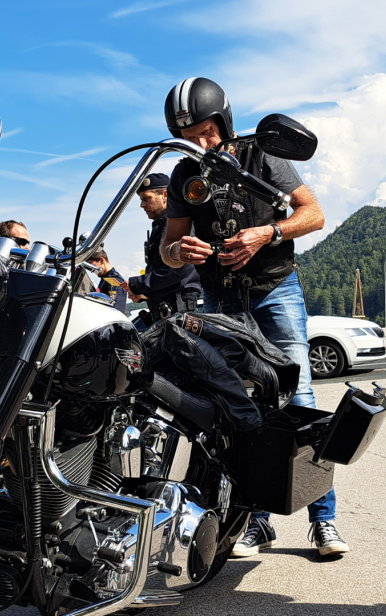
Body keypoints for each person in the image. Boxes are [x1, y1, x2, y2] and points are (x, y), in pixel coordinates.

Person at [159, 77, 348, 558]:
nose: (201, 143)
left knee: (298, 396)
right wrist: (182, 250)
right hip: (222, 303)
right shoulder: (184, 176)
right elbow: (168, 248)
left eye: (207, 132)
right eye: (191, 137)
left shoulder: (262, 156)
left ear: (223, 121)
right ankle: (255, 521)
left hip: (275, 290)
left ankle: (323, 521)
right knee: (238, 405)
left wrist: (268, 232)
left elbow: (314, 214)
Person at [119, 173, 201, 322]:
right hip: (168, 311)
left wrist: (138, 284)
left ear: (165, 195)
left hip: (179, 312)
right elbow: (162, 272)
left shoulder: (177, 225)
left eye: (146, 198)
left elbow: (179, 269)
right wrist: (144, 293)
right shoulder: (162, 225)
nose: (142, 205)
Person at [87, 247, 128, 313]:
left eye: (93, 266)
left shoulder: (113, 281)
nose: (92, 271)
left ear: (102, 260)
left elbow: (113, 308)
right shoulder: (105, 279)